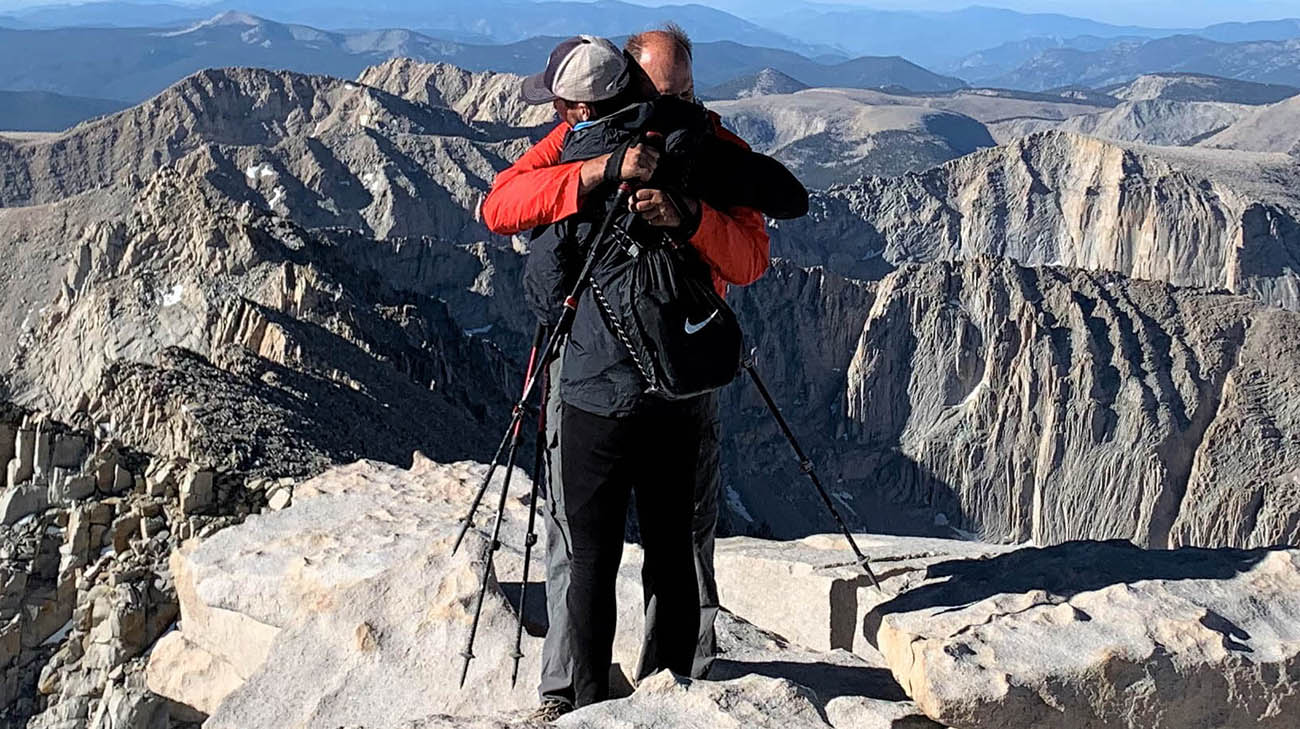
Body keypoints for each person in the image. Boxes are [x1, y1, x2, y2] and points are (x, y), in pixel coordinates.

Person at [481, 29, 772, 720]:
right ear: (625, 87)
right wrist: (600, 171)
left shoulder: (710, 148)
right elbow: (500, 205)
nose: (674, 105)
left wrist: (690, 217)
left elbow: (750, 259)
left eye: (684, 92)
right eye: (661, 92)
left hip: (670, 376)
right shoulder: (583, 141)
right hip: (605, 373)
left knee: (665, 545)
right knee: (593, 546)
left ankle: (667, 690)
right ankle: (573, 694)